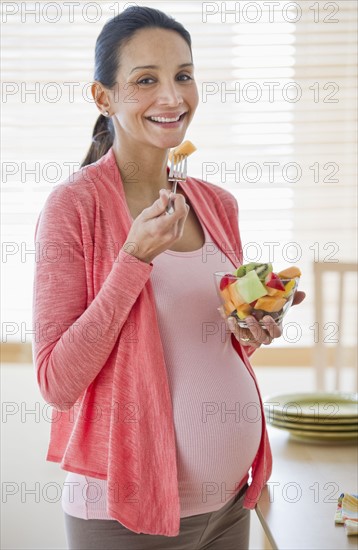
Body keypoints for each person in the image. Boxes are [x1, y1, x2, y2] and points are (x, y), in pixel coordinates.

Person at [32, 6, 305, 550]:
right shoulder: (74, 207)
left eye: (183, 75)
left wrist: (252, 325)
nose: (173, 97)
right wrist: (132, 260)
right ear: (103, 97)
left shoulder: (216, 203)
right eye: (145, 80)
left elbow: (190, 348)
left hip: (231, 502)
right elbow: (57, 382)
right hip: (125, 513)